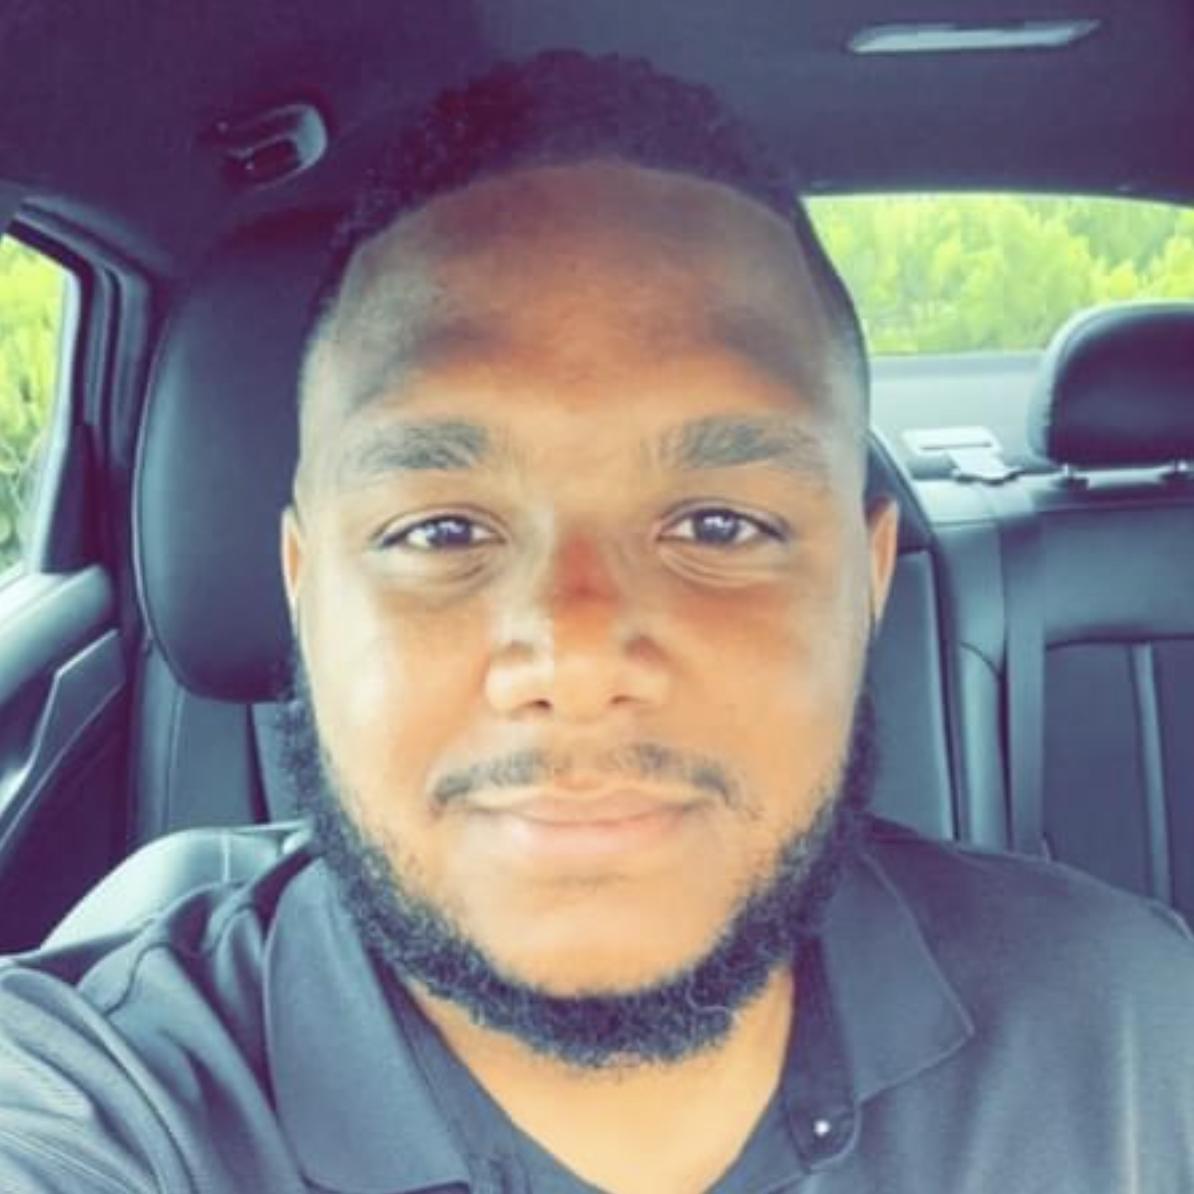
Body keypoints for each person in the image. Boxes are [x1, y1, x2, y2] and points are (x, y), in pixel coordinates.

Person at [1, 50, 1192, 1194]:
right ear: (304, 594)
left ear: (867, 580)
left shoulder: (1134, 1032)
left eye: (720, 524)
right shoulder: (98, 1108)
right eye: (441, 530)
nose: (574, 659)